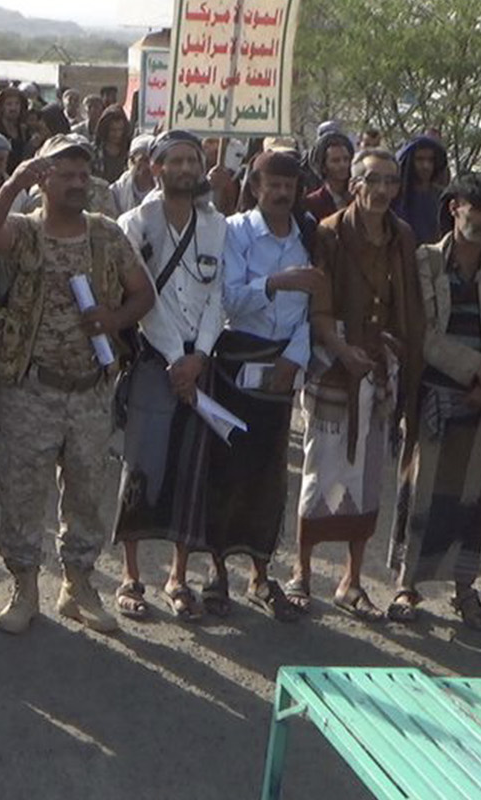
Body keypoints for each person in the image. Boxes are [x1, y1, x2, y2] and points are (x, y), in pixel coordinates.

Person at [0, 133, 155, 634]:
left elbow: (144, 294)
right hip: (30, 390)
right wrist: (12, 183)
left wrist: (114, 319)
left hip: (91, 389)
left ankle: (78, 585)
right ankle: (24, 586)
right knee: (22, 492)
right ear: (44, 179)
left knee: (86, 491)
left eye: (83, 174)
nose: (77, 184)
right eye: (65, 174)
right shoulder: (25, 231)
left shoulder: (106, 234)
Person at [292, 149, 424, 616]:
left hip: (378, 366)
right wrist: (342, 350)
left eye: (391, 181)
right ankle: (302, 573)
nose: (383, 190)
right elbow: (319, 304)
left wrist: (396, 357)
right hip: (334, 362)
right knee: (320, 468)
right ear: (355, 185)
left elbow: (406, 306)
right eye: (374, 180)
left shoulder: (401, 236)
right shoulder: (329, 232)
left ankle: (351, 579)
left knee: (367, 478)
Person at [390, 174, 481, 630]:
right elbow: (420, 332)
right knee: (423, 494)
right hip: (436, 394)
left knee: (471, 500)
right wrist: (475, 369)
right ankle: (408, 586)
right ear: (455, 209)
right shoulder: (425, 261)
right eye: (477, 210)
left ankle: (466, 592)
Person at [113, 131, 227, 623]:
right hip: (151, 359)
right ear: (155, 168)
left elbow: (217, 297)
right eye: (175, 160)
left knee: (189, 469)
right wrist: (173, 358)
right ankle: (130, 575)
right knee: (141, 468)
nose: (185, 168)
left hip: (198, 366)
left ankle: (178, 576)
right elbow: (141, 302)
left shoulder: (217, 226)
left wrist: (198, 356)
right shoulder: (133, 224)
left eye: (192, 161)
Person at [208, 150, 321, 622]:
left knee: (269, 473)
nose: (280, 193)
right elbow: (228, 298)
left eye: (288, 187)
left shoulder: (308, 235)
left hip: (281, 367)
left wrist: (296, 359)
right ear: (254, 187)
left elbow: (317, 305)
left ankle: (260, 573)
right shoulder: (233, 233)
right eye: (271, 185)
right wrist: (275, 282)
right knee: (225, 468)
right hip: (235, 360)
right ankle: (216, 572)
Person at [392, 135, 450, 245]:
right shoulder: (395, 196)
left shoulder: (443, 197)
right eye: (419, 159)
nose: (426, 166)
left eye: (430, 160)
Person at [300, 129, 354, 220]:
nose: (343, 165)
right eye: (335, 161)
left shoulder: (357, 197)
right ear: (324, 167)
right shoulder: (313, 203)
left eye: (346, 159)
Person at [0, 86, 34, 171]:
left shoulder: (24, 130)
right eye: (9, 104)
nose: (13, 108)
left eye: (17, 104)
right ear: (2, 107)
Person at [110, 133, 157, 214]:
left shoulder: (163, 190)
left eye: (153, 160)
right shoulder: (116, 191)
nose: (148, 166)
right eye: (144, 160)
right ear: (132, 161)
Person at [91, 108, 132, 184]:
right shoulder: (94, 152)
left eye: (120, 130)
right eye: (113, 130)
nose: (117, 134)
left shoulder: (129, 151)